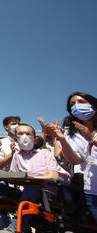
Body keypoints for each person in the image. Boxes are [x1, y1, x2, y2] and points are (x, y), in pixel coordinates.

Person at [0, 123, 69, 233]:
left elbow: (53, 175)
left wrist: (30, 177)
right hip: (26, 192)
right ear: (15, 138)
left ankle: (14, 228)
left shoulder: (44, 153)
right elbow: (13, 175)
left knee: (32, 187)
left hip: (46, 193)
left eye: (27, 133)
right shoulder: (17, 155)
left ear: (35, 139)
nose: (24, 136)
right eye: (20, 134)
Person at [46, 92, 97, 223]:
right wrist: (62, 140)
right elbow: (75, 160)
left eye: (81, 102)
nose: (77, 106)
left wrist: (91, 139)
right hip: (92, 191)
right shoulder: (72, 133)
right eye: (72, 104)